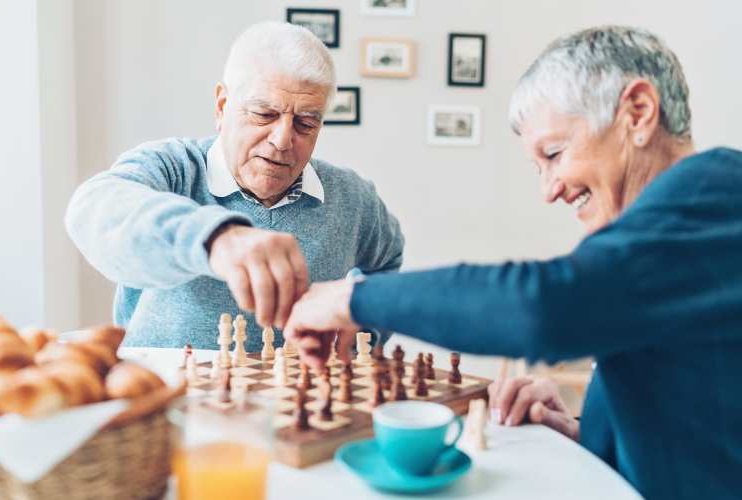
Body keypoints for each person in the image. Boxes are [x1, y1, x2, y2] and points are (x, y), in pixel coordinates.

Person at [285, 26, 742, 500]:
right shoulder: (686, 218)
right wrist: (585, 432)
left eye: (555, 154)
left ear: (638, 113)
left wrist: (349, 297)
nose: (550, 190)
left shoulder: (710, 205)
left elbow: (541, 305)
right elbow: (701, 412)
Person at [65, 22, 404, 350]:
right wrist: (216, 238)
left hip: (298, 401)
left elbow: (387, 264)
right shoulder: (172, 168)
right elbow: (93, 209)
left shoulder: (353, 198)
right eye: (264, 114)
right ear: (222, 105)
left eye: (305, 122)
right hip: (174, 397)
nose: (283, 139)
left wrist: (362, 325)